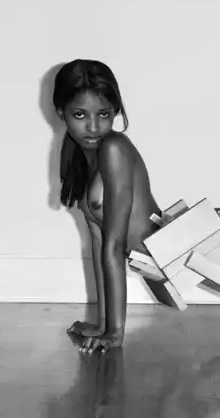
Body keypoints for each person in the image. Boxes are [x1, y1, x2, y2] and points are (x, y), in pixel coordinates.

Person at [53, 59, 172, 354]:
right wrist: (102, 325)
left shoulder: (114, 148)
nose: (93, 126)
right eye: (79, 114)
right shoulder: (83, 160)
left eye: (104, 114)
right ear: (61, 112)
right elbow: (98, 243)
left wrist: (115, 332)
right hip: (148, 261)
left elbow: (114, 245)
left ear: (115, 111)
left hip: (169, 258)